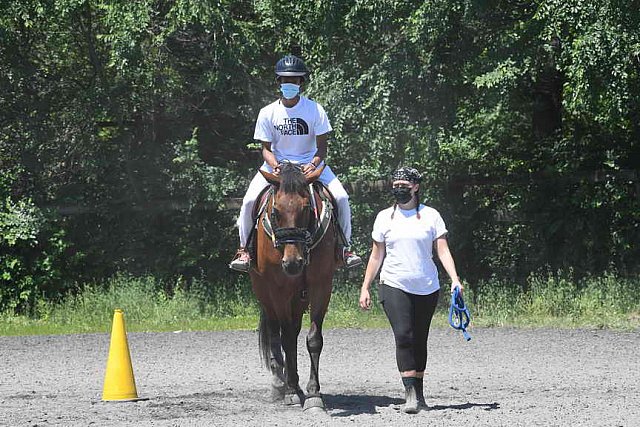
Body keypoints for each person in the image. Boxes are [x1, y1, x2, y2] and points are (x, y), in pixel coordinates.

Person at [229, 54, 362, 272]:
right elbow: (266, 149)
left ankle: (346, 248)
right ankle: (244, 250)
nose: (289, 84)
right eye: (285, 80)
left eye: (294, 80)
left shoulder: (315, 110)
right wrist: (275, 165)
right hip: (278, 166)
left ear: (301, 82)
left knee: (342, 197)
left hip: (308, 165)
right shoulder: (267, 112)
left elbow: (322, 147)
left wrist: (314, 163)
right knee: (248, 201)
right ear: (279, 82)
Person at [359, 166, 463, 413]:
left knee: (419, 338)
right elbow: (376, 256)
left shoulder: (431, 216)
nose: (399, 188)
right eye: (395, 184)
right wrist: (365, 287)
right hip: (394, 283)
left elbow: (442, 250)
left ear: (416, 187)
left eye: (404, 185)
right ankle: (410, 395)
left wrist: (455, 279)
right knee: (404, 335)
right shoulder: (384, 217)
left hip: (427, 286)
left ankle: (420, 392)